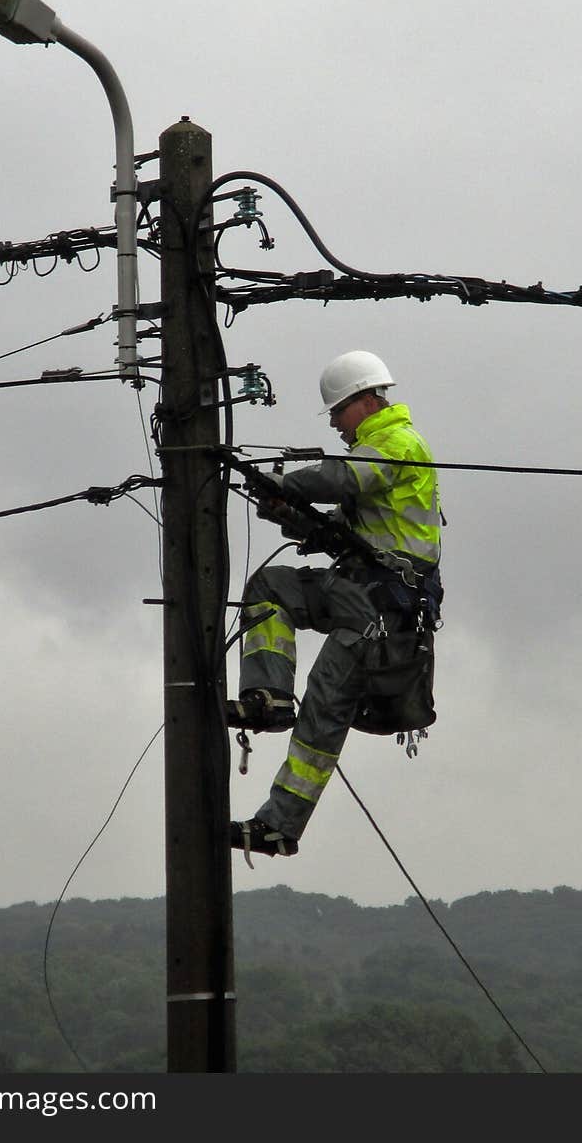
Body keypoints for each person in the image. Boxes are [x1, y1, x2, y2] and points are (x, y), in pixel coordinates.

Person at [228, 349, 443, 862]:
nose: (335, 425)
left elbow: (343, 479)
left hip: (381, 610)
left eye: (337, 412)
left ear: (365, 400)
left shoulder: (397, 441)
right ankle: (268, 697)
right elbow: (344, 532)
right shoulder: (372, 452)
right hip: (358, 590)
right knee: (270, 585)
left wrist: (286, 483)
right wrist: (290, 512)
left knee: (325, 708)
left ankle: (278, 826)